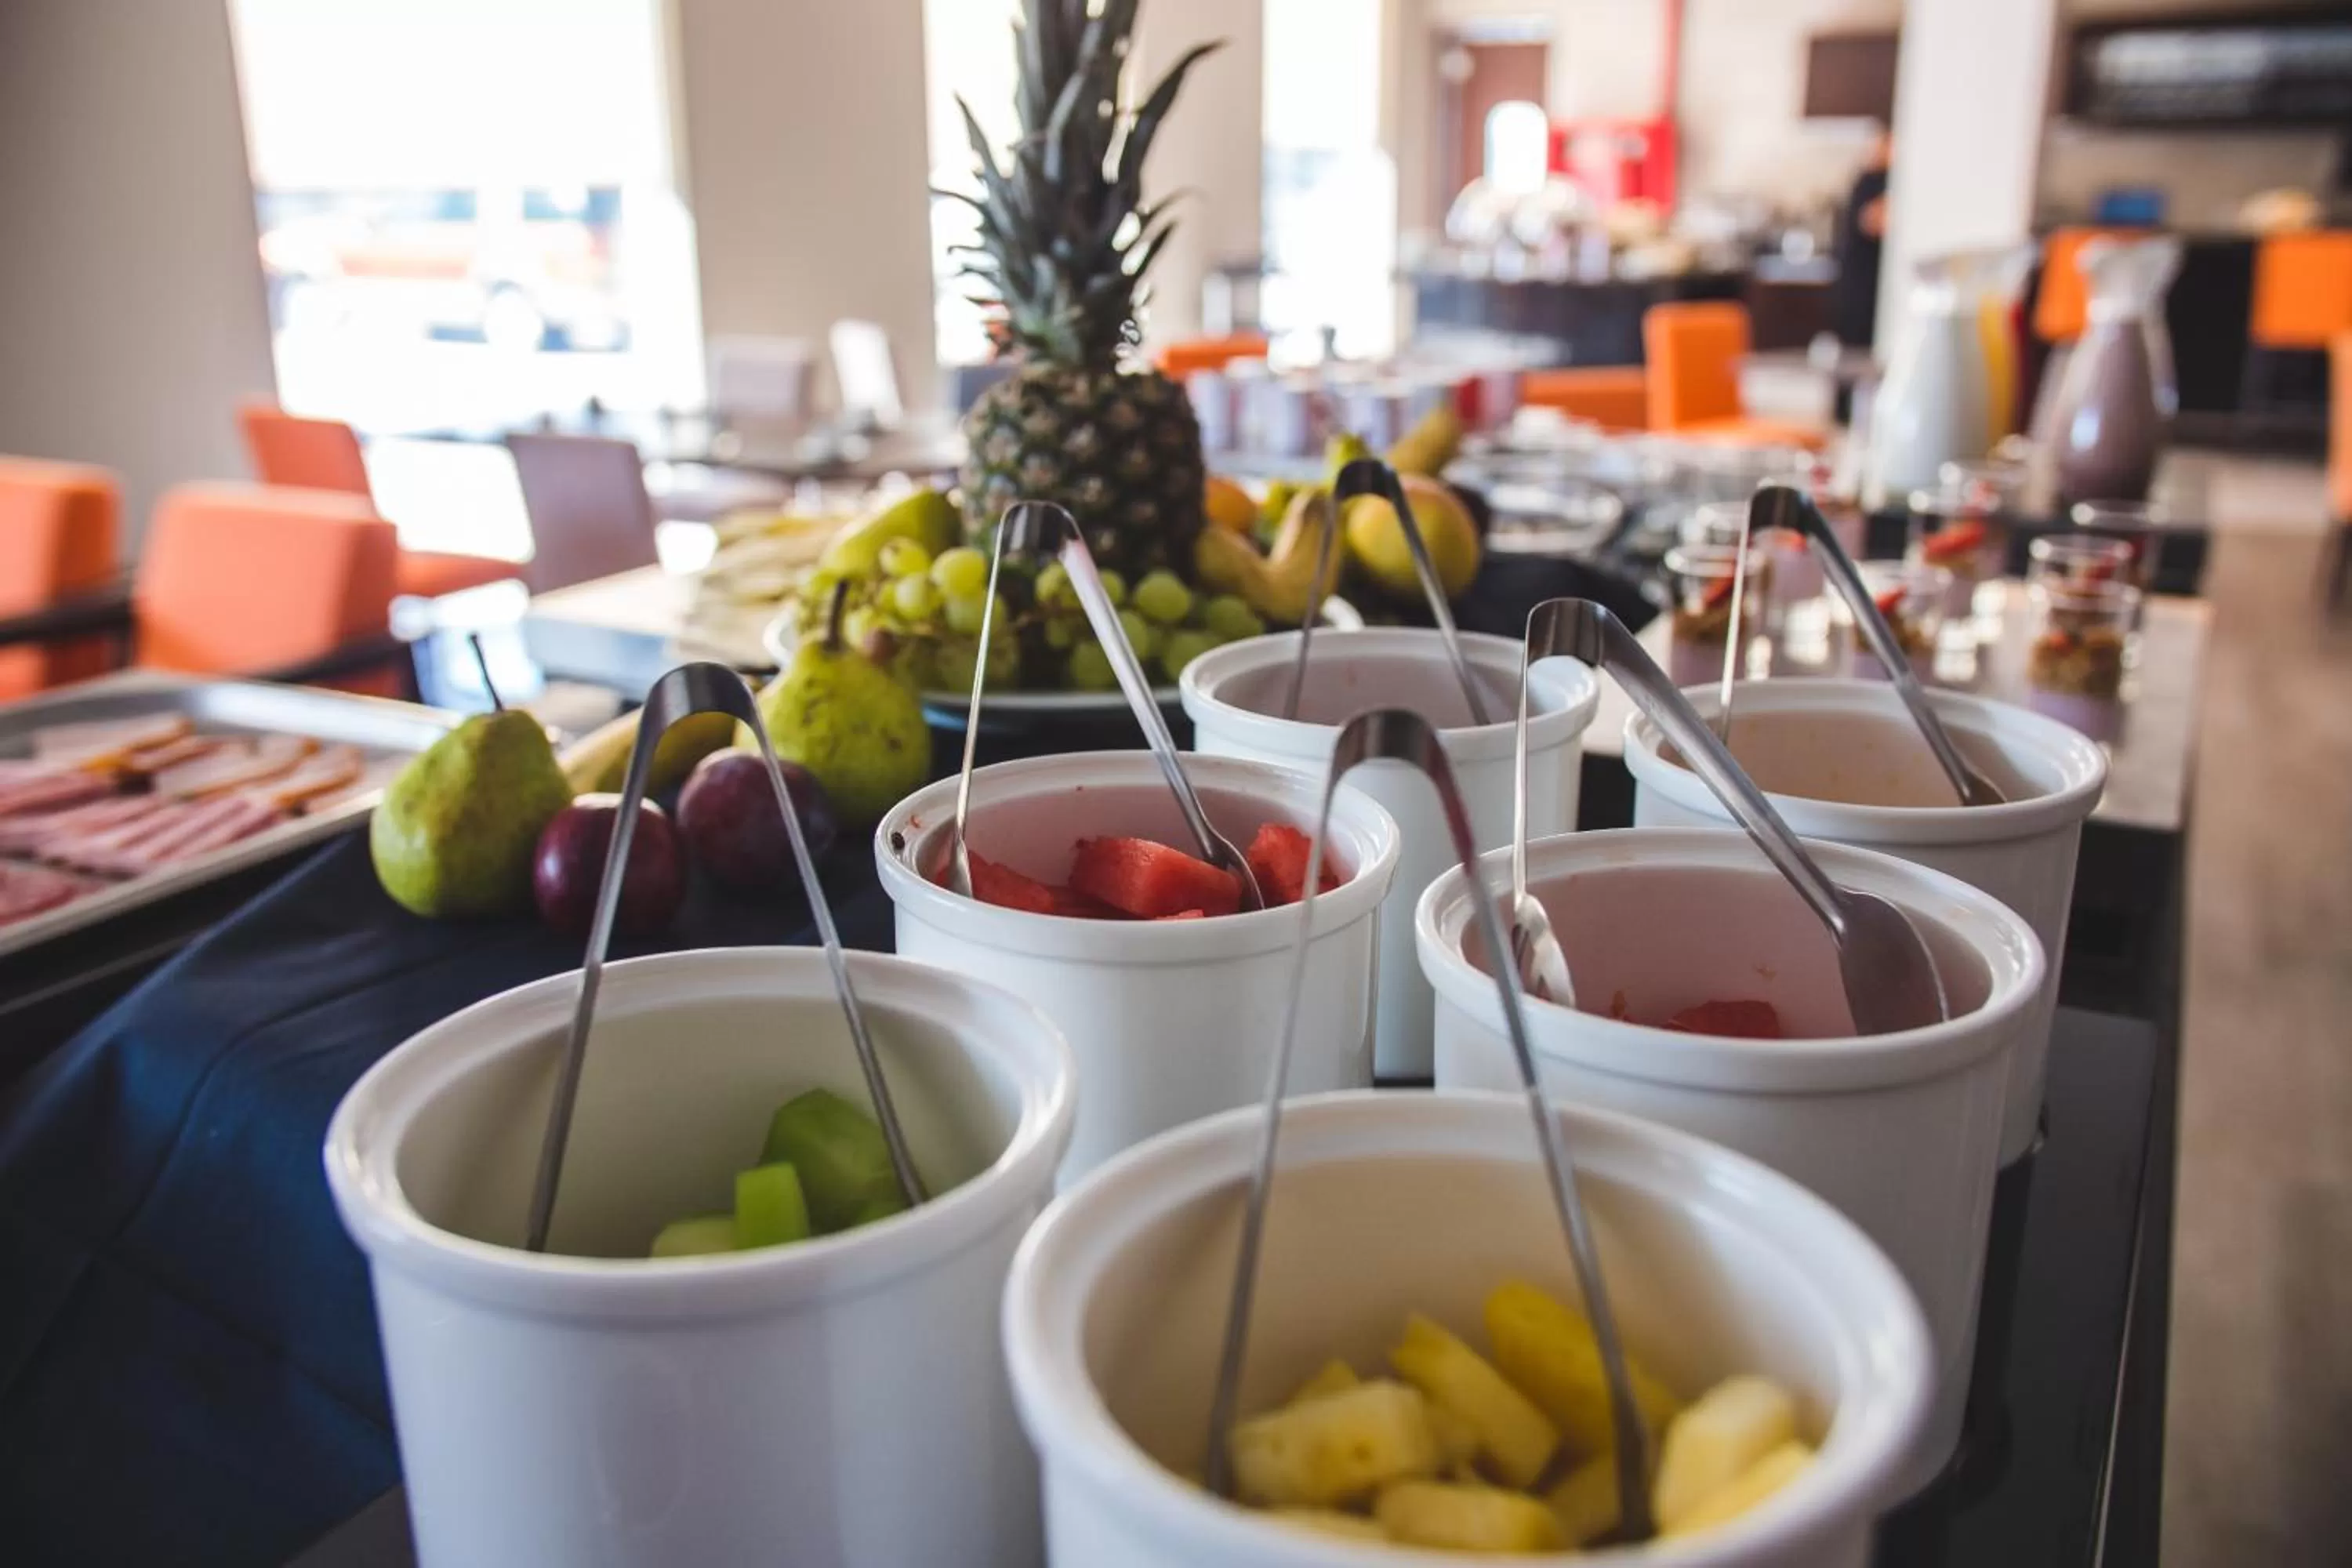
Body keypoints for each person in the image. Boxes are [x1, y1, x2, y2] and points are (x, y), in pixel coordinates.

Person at [1831, 126, 1893, 351]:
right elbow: (1874, 222)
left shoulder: (1883, 181)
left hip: (1869, 284)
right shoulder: (1869, 181)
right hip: (1859, 285)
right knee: (1855, 349)